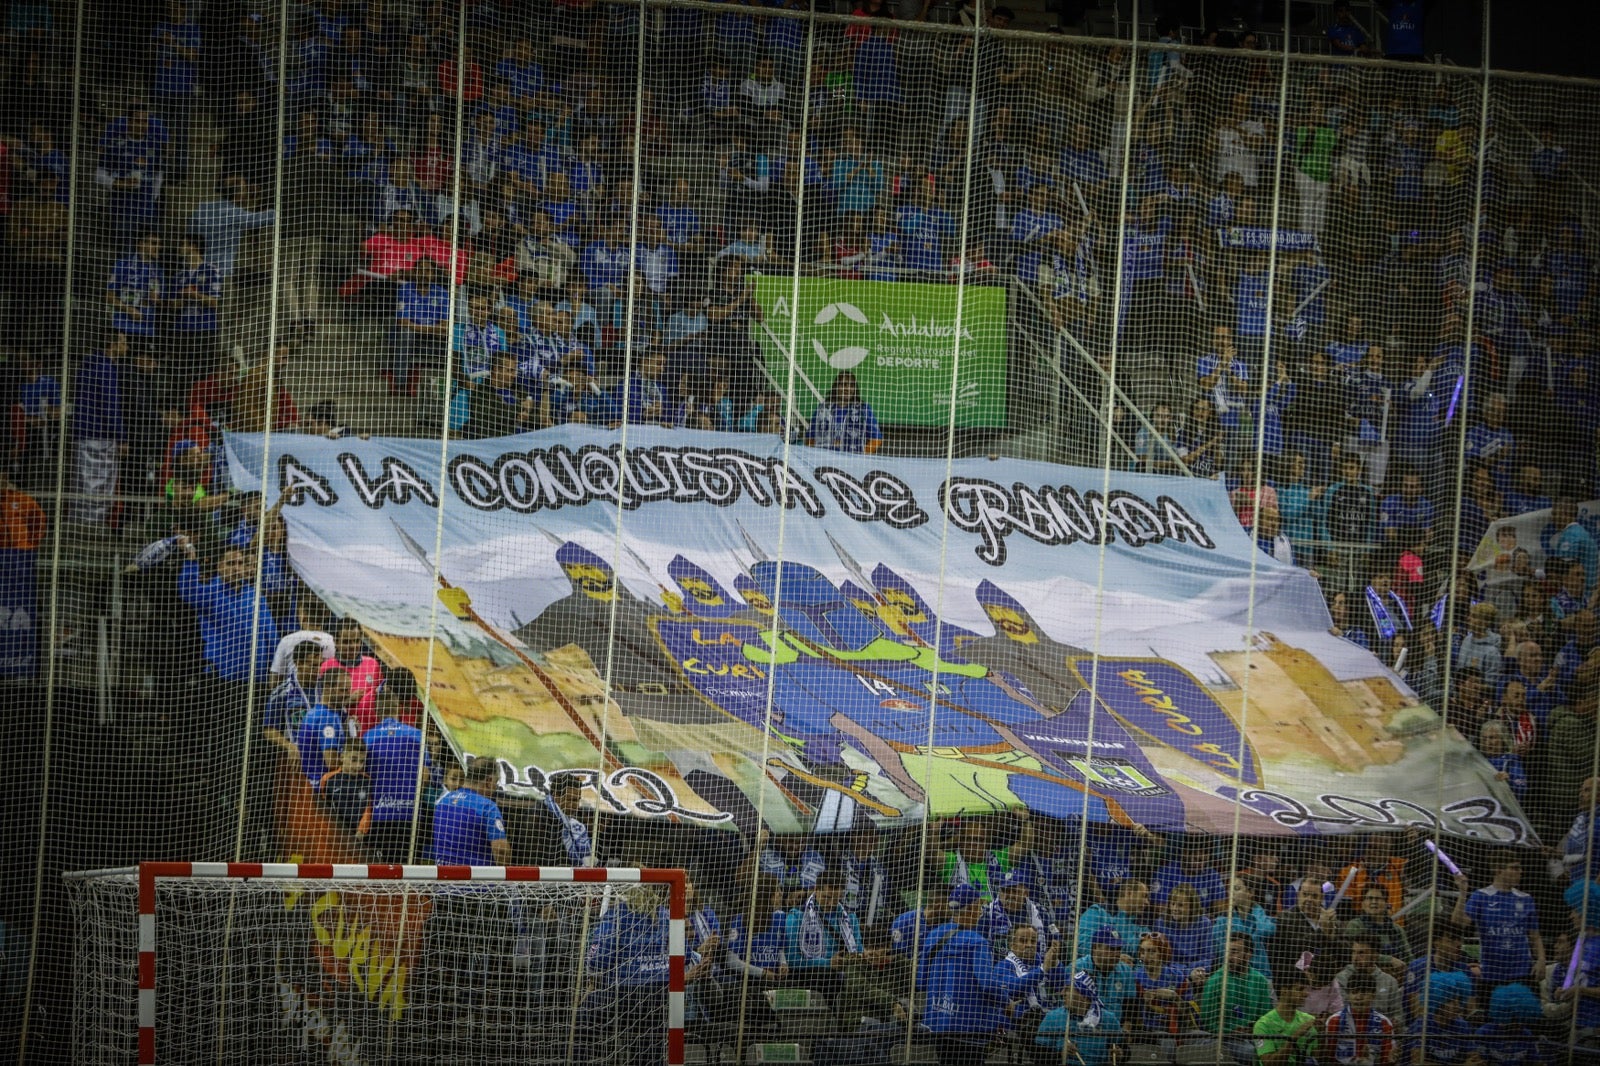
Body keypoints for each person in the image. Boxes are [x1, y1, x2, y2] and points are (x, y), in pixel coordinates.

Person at [921, 882, 1006, 1065]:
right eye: (979, 906)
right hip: (970, 1027)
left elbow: (921, 980)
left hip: (938, 1023)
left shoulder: (932, 936)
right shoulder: (977, 942)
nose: (980, 911)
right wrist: (1007, 1002)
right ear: (971, 909)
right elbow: (987, 984)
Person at [1451, 849, 1545, 994]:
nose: (1520, 872)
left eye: (1519, 868)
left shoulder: (1525, 899)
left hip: (1522, 972)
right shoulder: (1481, 896)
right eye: (1514, 868)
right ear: (1498, 870)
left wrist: (1541, 960)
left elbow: (1534, 936)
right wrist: (1463, 892)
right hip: (1491, 973)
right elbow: (1458, 923)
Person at [362, 673, 428, 862]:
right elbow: (425, 775)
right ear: (398, 707)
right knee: (408, 868)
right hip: (410, 814)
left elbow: (362, 774)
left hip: (379, 814)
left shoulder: (368, 737)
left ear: (376, 710)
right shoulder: (417, 735)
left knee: (381, 869)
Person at [1198, 932, 1275, 1061]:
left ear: (1248, 954)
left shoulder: (1260, 981)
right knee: (1253, 1054)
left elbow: (1265, 1016)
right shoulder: (1216, 981)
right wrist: (1231, 1032)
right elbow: (1208, 1022)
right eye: (1228, 952)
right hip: (1225, 1039)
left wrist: (1253, 1029)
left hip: (1255, 1036)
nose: (1229, 957)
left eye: (1234, 952)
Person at [431, 757, 511, 866]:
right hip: (475, 875)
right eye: (495, 783)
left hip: (443, 873)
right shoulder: (487, 807)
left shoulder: (443, 801)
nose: (495, 788)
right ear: (489, 781)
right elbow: (501, 851)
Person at [296, 667, 353, 789]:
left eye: (348, 690)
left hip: (315, 784)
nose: (347, 695)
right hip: (324, 787)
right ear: (327, 688)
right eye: (342, 690)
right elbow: (331, 761)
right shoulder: (326, 718)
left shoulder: (316, 713)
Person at [1322, 972, 1395, 1065]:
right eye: (1354, 992)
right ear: (1348, 995)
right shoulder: (1334, 1020)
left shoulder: (1384, 1022)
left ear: (1373, 995)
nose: (1358, 997)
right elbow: (1329, 1056)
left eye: (1364, 993)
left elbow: (1386, 1058)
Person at [807, 370, 883, 454]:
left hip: (852, 461)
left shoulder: (863, 409)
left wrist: (861, 457)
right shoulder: (823, 409)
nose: (847, 389)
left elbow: (876, 439)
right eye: (843, 384)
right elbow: (810, 438)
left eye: (851, 385)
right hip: (824, 459)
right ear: (836, 387)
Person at [1254, 975, 1320, 1066]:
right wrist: (1295, 1037)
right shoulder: (1263, 1025)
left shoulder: (1308, 1020)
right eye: (1300, 989)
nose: (1306, 994)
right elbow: (1269, 1063)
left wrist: (1322, 1034)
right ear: (1284, 990)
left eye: (1306, 989)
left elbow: (1317, 1056)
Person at [319, 736, 373, 837]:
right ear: (342, 757)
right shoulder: (328, 779)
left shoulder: (366, 780)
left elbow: (368, 809)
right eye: (354, 760)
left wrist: (362, 830)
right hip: (333, 832)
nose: (358, 766)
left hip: (357, 835)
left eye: (362, 761)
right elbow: (324, 807)